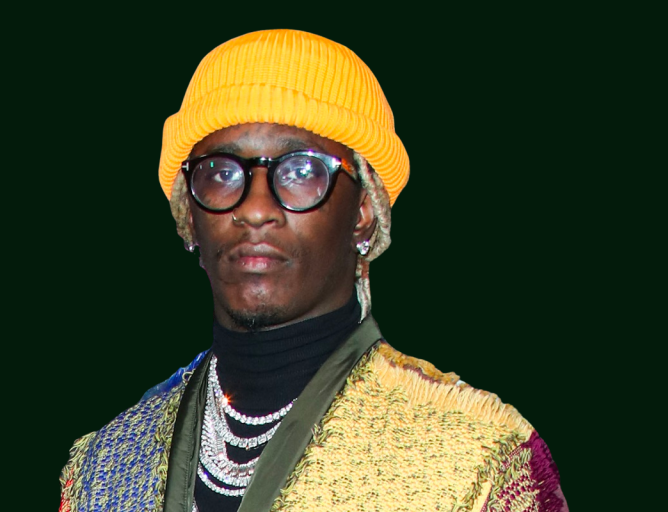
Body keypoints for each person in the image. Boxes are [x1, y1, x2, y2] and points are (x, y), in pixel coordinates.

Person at [59, 29, 567, 512]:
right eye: (222, 172)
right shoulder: (107, 466)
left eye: (301, 171)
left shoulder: (472, 459)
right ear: (189, 215)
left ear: (364, 211)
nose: (256, 208)